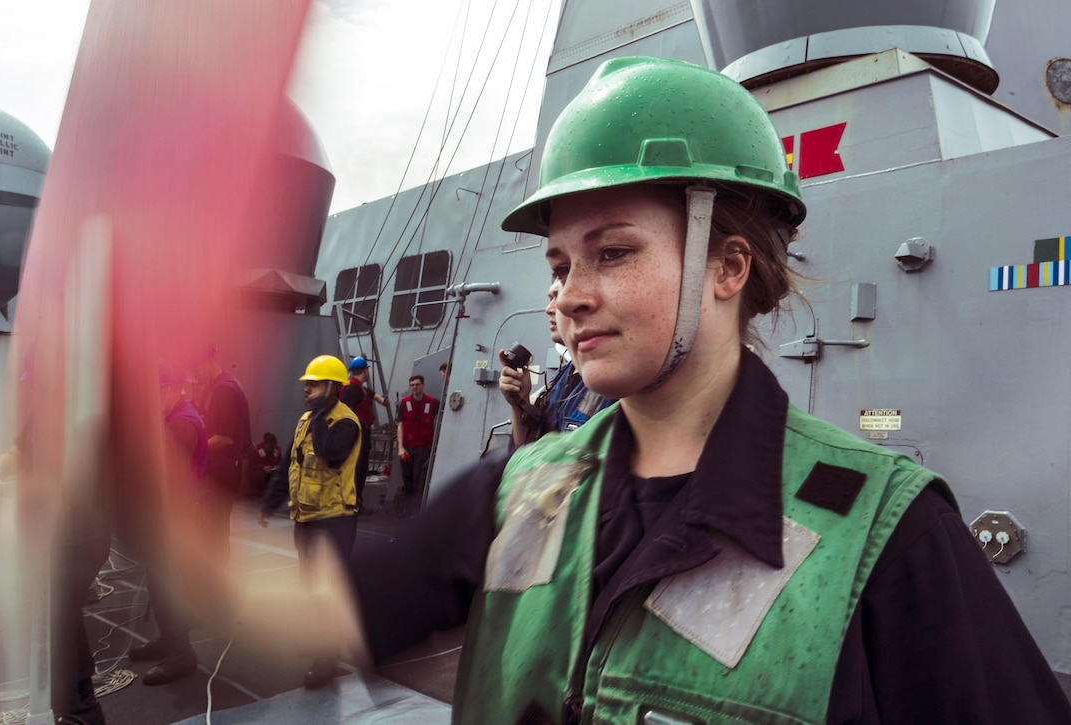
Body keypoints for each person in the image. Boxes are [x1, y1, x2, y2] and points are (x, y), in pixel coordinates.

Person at [231, 57, 1071, 722]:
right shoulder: (518, 491)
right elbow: (318, 618)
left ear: (728, 266)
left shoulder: (885, 536)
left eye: (614, 252)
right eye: (559, 265)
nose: (568, 295)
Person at [258, 354, 361, 688]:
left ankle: (327, 660)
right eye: (306, 385)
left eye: (313, 385)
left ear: (332, 388)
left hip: (335, 521)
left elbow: (330, 452)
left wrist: (319, 412)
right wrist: (270, 502)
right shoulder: (306, 420)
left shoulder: (346, 423)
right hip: (306, 518)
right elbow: (290, 460)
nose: (306, 390)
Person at [129, 364, 209, 685]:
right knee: (158, 584)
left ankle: (182, 654)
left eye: (159, 390)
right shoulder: (172, 417)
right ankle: (167, 639)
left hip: (177, 517)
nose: (154, 398)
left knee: (169, 588)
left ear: (176, 388)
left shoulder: (183, 424)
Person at [500, 278, 615, 448]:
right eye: (550, 299)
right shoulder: (563, 376)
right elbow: (525, 452)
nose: (549, 309)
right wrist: (520, 401)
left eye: (558, 297)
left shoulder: (610, 383)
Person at [191, 345, 252, 564]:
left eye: (196, 369)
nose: (195, 376)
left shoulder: (224, 390)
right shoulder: (219, 386)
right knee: (212, 532)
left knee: (214, 533)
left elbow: (226, 438)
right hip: (222, 471)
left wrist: (194, 451)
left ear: (208, 362)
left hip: (222, 474)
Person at [340, 356, 389, 513]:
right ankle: (352, 504)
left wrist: (381, 399)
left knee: (361, 470)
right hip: (357, 435)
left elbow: (371, 394)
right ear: (366, 371)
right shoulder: (352, 389)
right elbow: (345, 412)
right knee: (357, 470)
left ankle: (356, 503)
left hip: (362, 434)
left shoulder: (357, 387)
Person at [395, 375, 437, 516]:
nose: (414, 387)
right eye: (412, 385)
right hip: (407, 449)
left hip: (423, 449)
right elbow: (400, 425)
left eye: (417, 384)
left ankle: (416, 511)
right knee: (407, 478)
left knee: (419, 480)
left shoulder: (432, 403)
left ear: (423, 386)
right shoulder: (404, 403)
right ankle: (407, 509)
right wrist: (400, 447)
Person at [247, 432, 281, 496]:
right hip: (258, 471)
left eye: (273, 447)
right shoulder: (256, 450)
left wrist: (277, 467)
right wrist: (262, 468)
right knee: (261, 474)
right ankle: (262, 492)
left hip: (272, 471)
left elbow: (280, 463)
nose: (271, 449)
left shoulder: (277, 450)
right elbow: (251, 466)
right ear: (264, 444)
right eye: (269, 447)